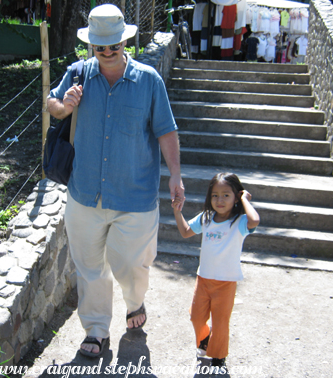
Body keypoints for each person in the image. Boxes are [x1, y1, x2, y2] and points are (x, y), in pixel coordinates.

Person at [47, 4, 185, 358]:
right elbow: (52, 106)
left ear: (125, 42)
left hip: (134, 196)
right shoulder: (78, 75)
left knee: (131, 265)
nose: (107, 52)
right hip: (85, 194)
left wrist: (176, 177)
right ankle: (96, 330)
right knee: (90, 267)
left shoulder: (148, 81)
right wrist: (64, 106)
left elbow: (166, 131)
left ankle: (134, 302)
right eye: (100, 46)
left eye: (114, 46)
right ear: (91, 45)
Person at [172, 172, 259, 369]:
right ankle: (204, 341)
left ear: (236, 197)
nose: (219, 200)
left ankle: (218, 355)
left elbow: (255, 220)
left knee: (220, 323)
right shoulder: (206, 218)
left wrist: (245, 199)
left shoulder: (240, 222)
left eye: (226, 195)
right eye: (215, 195)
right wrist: (177, 211)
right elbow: (186, 232)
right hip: (203, 279)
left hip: (226, 283)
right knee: (196, 316)